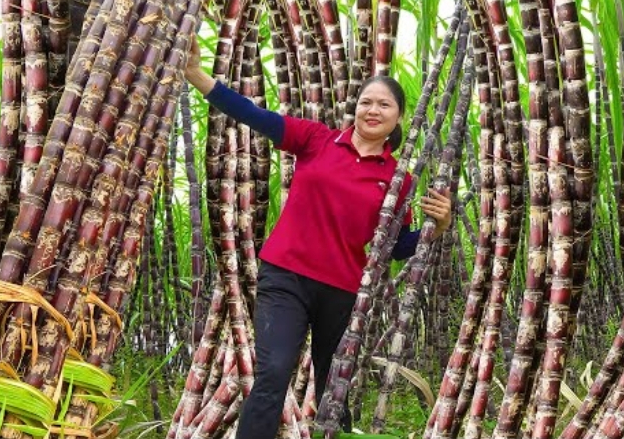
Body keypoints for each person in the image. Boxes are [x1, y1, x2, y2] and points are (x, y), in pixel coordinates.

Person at [185, 39, 453, 438]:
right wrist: (196, 75)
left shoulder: (398, 179)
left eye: (384, 105)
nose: (372, 110)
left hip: (342, 290)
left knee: (334, 384)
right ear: (355, 109)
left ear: (398, 119)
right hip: (286, 276)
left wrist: (439, 228)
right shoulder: (317, 140)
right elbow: (252, 115)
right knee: (273, 371)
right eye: (366, 102)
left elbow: (397, 249)